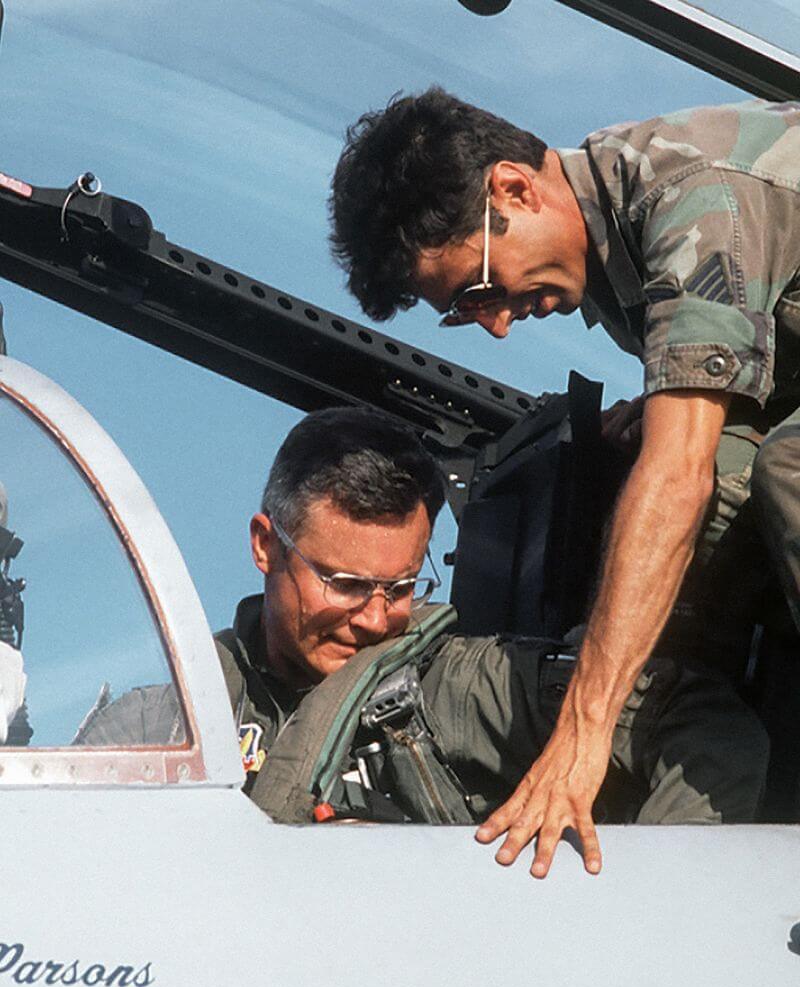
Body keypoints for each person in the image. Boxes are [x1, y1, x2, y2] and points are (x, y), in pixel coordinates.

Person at [328, 90, 800, 875]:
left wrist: (584, 727)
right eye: (464, 314)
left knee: (770, 471)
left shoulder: (691, 201)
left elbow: (677, 478)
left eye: (480, 290)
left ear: (515, 188)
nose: (500, 324)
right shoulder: (617, 238)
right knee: (712, 484)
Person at [215, 405, 767, 861]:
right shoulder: (185, 706)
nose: (375, 620)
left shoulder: (451, 687)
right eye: (344, 584)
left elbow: (709, 728)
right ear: (266, 546)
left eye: (402, 587)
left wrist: (645, 904)